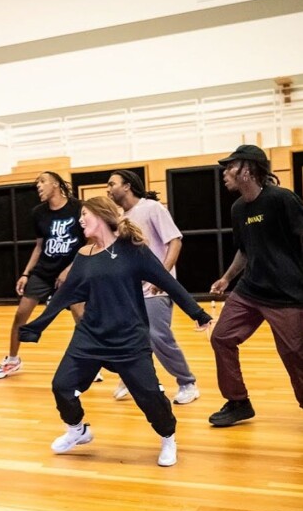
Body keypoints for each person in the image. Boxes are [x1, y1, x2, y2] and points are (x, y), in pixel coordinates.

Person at [19, 197, 212, 466]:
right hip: (90, 336)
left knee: (150, 397)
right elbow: (65, 295)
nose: (80, 219)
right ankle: (77, 430)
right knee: (61, 386)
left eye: (85, 214)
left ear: (101, 215)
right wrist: (35, 327)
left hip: (129, 338)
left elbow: (167, 281)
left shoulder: (133, 250)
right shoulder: (83, 256)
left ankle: (168, 438)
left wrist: (198, 314)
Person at [209, 145, 303, 426]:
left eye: (230, 167)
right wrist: (227, 278)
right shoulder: (238, 209)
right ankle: (238, 402)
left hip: (287, 294)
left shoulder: (282, 200)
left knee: (295, 354)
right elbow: (245, 251)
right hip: (250, 290)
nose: (225, 173)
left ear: (247, 170)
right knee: (221, 337)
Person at [107, 170, 200, 404]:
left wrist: (162, 276)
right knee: (130, 337)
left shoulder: (153, 208)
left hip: (156, 289)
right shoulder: (119, 217)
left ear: (127, 186)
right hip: (130, 291)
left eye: (111, 184)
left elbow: (175, 241)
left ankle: (187, 382)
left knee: (158, 336)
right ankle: (133, 378)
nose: (108, 189)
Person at [0, 171, 86, 379]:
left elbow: (88, 243)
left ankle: (87, 361)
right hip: (44, 272)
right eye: (37, 184)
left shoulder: (78, 208)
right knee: (20, 314)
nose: (39, 187)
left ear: (56, 184)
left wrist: (69, 270)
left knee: (80, 317)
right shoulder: (38, 213)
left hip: (73, 271)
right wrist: (26, 273)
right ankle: (12, 359)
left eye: (42, 182)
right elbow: (39, 246)